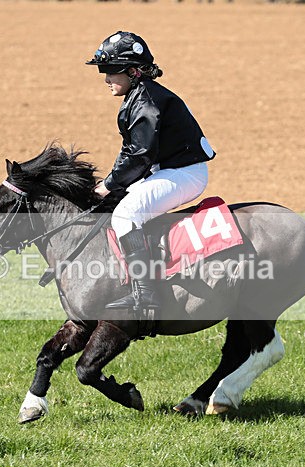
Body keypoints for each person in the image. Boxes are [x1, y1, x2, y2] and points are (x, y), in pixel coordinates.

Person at [86, 31, 216, 311]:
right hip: (168, 170)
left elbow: (139, 155)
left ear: (133, 71)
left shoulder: (146, 100)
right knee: (119, 205)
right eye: (102, 71)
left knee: (125, 214)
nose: (106, 79)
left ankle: (147, 295)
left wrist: (108, 184)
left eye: (110, 71)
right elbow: (131, 152)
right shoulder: (138, 96)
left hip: (184, 173)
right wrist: (113, 184)